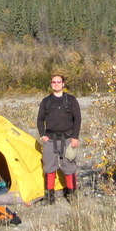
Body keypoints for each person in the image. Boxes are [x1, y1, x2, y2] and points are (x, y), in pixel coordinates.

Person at [37, 73, 81, 204]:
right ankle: (49, 198)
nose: (56, 84)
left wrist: (75, 137)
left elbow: (77, 119)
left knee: (69, 167)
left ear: (63, 84)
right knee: (49, 167)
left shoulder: (71, 100)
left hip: (67, 139)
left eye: (58, 82)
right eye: (54, 82)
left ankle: (72, 196)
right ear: (51, 84)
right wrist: (42, 135)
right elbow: (40, 120)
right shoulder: (46, 101)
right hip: (50, 139)